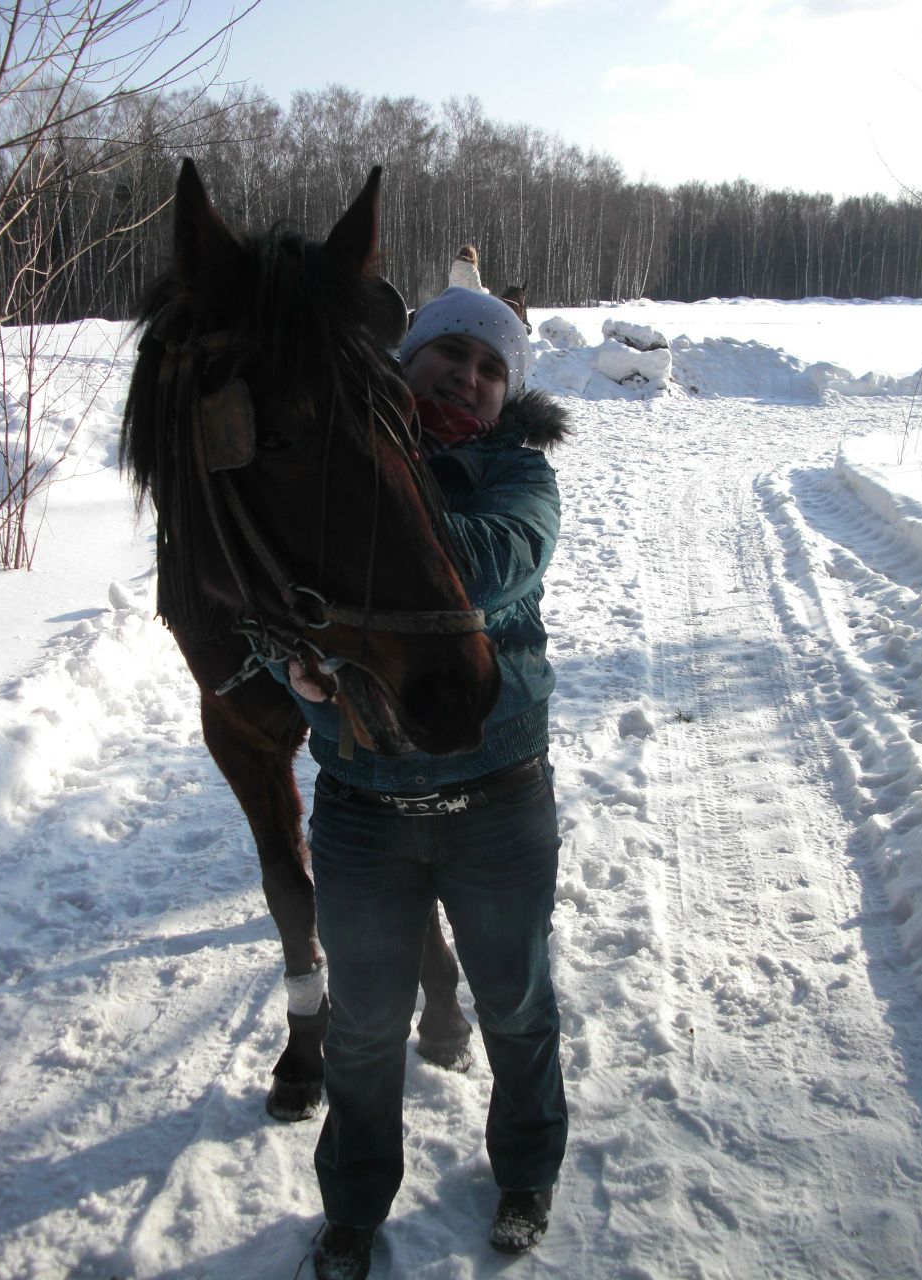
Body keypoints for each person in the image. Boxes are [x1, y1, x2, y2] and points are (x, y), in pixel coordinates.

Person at [287, 287, 570, 1280]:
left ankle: (528, 1169)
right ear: (408, 358)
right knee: (362, 1026)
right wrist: (296, 658)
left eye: (494, 367)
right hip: (363, 805)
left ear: (510, 393)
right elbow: (281, 583)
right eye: (452, 352)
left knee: (516, 1002)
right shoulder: (333, 455)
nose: (472, 376)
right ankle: (354, 1206)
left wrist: (367, 520)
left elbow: (497, 563)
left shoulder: (519, 476)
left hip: (498, 800)